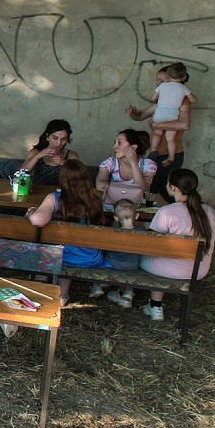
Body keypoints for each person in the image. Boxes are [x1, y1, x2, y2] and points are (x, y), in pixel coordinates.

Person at [117, 169, 215, 321]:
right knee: (164, 255)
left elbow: (149, 243)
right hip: (199, 270)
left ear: (173, 188)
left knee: (144, 254)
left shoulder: (167, 211)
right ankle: (154, 304)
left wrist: (141, 226)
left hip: (168, 269)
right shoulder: (210, 211)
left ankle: (131, 294)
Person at [27, 158, 107, 303]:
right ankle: (63, 294)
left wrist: (31, 212)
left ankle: (62, 295)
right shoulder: (96, 201)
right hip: (90, 258)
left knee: (63, 250)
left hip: (61, 257)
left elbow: (37, 221)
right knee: (71, 249)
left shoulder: (55, 199)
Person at [128, 62, 197, 158]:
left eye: (161, 81)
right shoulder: (162, 102)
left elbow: (184, 125)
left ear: (171, 80)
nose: (158, 84)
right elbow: (140, 116)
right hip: (154, 154)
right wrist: (132, 113)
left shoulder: (183, 101)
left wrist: (156, 125)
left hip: (169, 154)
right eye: (157, 81)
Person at [94, 129, 156, 209]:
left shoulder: (148, 165)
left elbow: (142, 189)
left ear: (133, 147)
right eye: (115, 142)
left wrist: (133, 163)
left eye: (119, 143)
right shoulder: (110, 163)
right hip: (114, 205)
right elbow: (99, 185)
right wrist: (130, 190)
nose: (114, 147)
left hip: (137, 207)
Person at [22, 119, 80, 188]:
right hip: (37, 192)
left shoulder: (71, 155)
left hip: (61, 193)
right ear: (47, 136)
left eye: (63, 139)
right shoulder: (36, 152)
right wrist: (37, 157)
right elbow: (20, 175)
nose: (58, 143)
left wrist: (64, 163)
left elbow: (80, 179)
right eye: (55, 138)